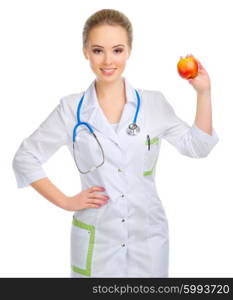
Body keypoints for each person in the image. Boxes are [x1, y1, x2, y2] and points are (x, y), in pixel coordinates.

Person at [12, 8, 219, 278]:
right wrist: (65, 201)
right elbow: (25, 158)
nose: (108, 60)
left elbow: (198, 147)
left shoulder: (153, 104)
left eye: (117, 50)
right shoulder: (70, 109)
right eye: (98, 50)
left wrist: (203, 92)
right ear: (85, 51)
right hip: (97, 239)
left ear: (129, 51)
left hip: (148, 238)